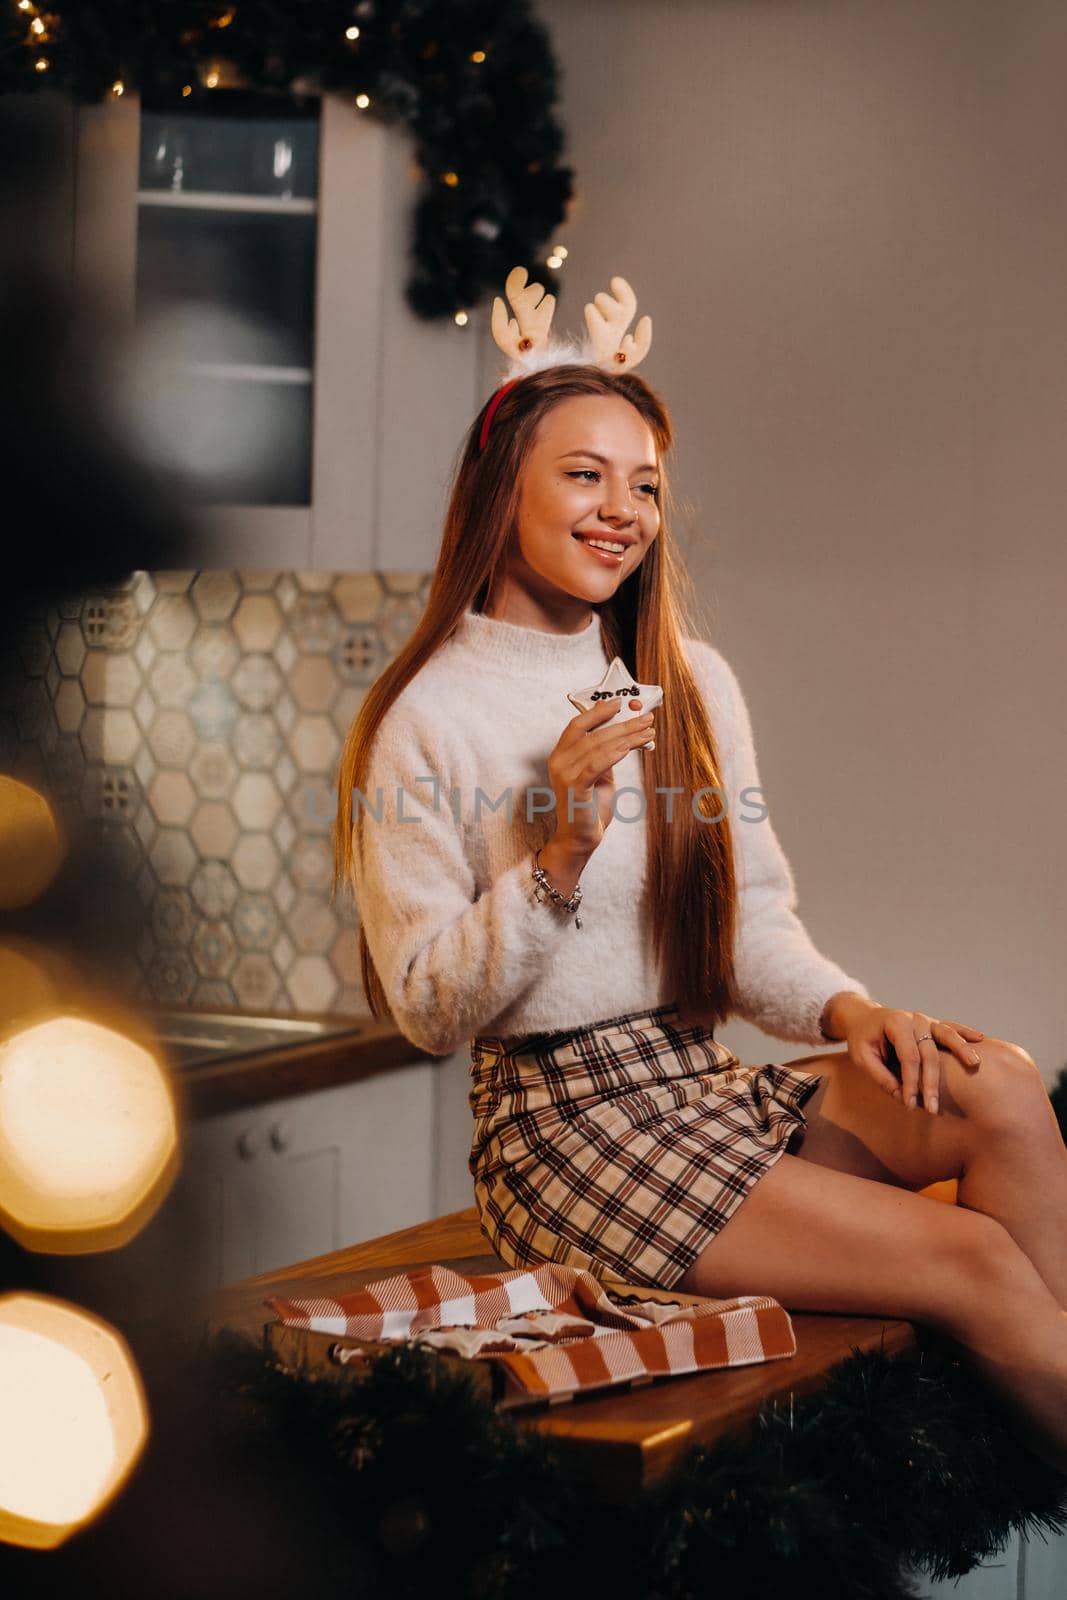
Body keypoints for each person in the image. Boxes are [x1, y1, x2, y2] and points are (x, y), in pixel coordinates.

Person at [334, 270, 1067, 1472]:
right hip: (564, 1127)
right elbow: (424, 1006)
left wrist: (849, 1011)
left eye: (645, 484)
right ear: (498, 482)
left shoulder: (688, 684)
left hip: (696, 1083)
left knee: (999, 1089)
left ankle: (1022, 1434)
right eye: (584, 473)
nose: (621, 508)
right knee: (970, 1259)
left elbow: (750, 928)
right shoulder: (426, 717)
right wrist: (555, 855)